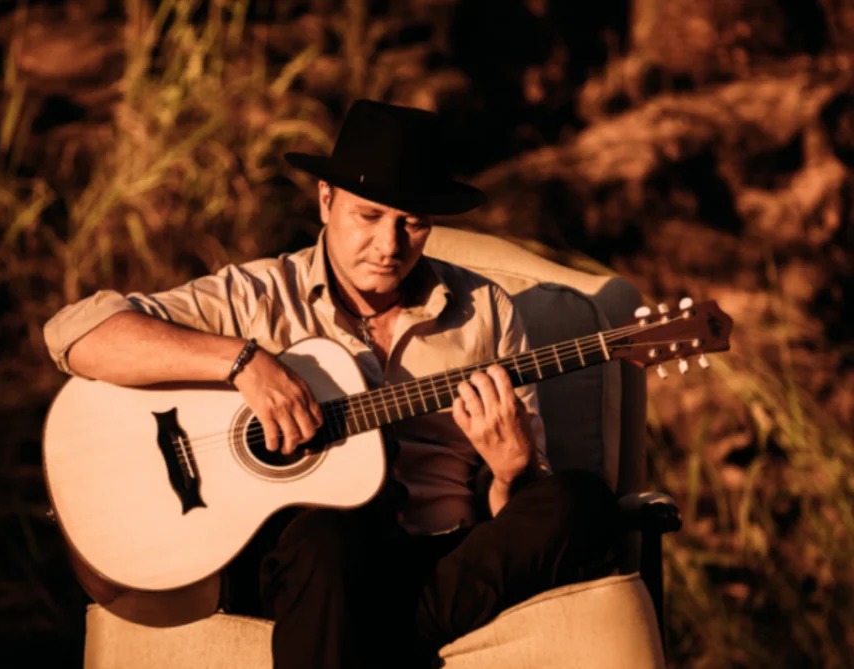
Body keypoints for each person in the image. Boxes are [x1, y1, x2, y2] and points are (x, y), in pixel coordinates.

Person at [43, 99, 618, 669]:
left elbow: (514, 512)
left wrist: (513, 469)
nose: (390, 246)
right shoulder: (258, 296)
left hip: (443, 559)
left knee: (580, 503)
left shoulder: (485, 311)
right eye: (369, 216)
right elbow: (76, 332)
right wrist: (242, 361)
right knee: (328, 539)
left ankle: (371, 636)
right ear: (326, 200)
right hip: (311, 557)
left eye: (412, 223)